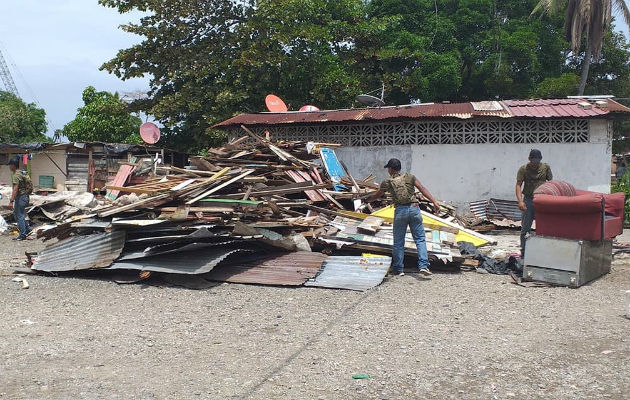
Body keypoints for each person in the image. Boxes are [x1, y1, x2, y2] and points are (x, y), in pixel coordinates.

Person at [367, 158, 441, 276]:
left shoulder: (388, 182)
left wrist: (367, 200)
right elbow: (422, 188)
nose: (388, 171)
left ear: (391, 169)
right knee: (420, 239)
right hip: (414, 208)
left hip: (401, 211)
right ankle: (423, 266)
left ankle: (398, 269)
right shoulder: (410, 177)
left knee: (399, 242)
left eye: (388, 168)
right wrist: (434, 202)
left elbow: (378, 194)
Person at [515, 149, 552, 255]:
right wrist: (520, 201)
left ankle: (542, 251)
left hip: (543, 200)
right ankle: (524, 251)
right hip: (529, 199)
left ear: (540, 160)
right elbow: (518, 185)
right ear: (529, 159)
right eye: (533, 161)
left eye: (537, 161)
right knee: (526, 227)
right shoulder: (523, 169)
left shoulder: (545, 168)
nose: (535, 163)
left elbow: (551, 183)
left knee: (544, 226)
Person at [8, 157, 33, 241]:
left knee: (19, 215)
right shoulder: (22, 172)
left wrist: (11, 201)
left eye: (10, 165)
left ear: (13, 165)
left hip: (21, 197)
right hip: (25, 196)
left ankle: (23, 235)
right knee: (17, 213)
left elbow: (15, 188)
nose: (9, 167)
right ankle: (27, 230)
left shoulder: (16, 175)